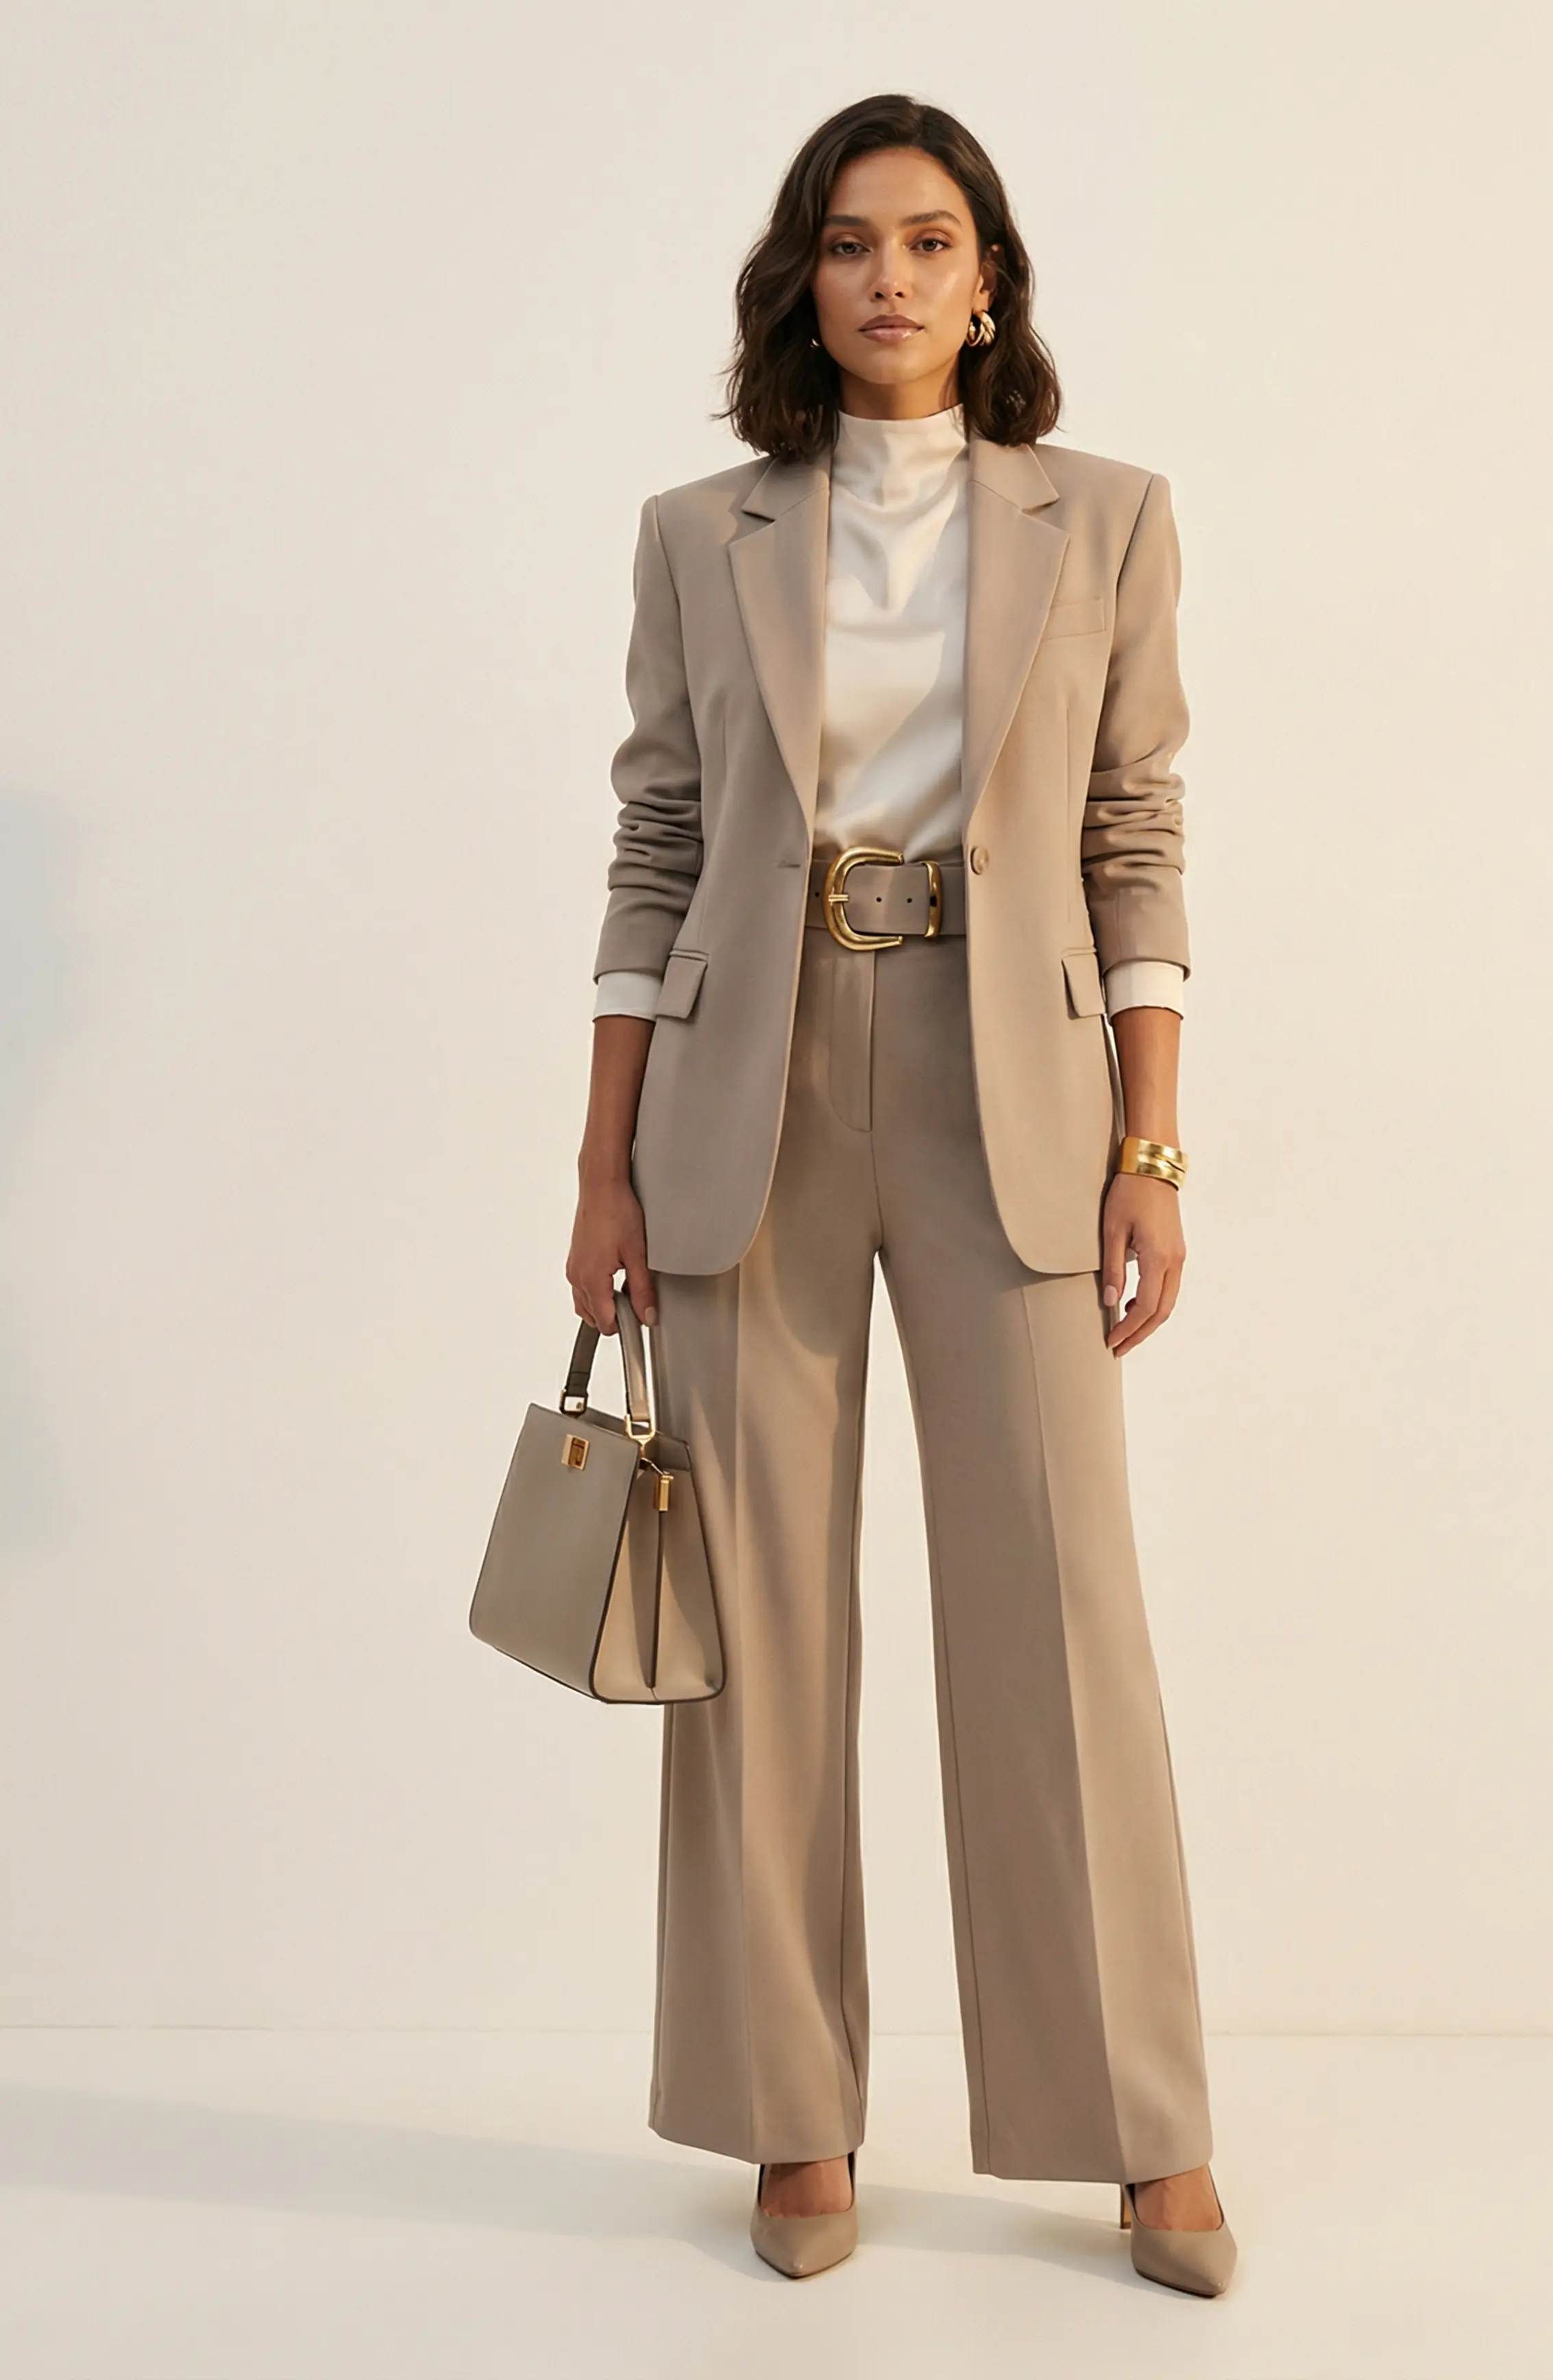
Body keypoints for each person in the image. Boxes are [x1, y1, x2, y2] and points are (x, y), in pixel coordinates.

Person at [565, 92, 1236, 2297]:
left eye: (929, 241)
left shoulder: (1107, 518)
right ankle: (792, 2112)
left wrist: (1150, 1140)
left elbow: (1132, 832)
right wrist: (601, 1162)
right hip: (748, 1096)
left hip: (1014, 1087)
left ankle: (1144, 2125)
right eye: (847, 244)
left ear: (989, 277)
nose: (888, 278)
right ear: (801, 280)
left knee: (1062, 1607)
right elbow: (658, 846)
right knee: (758, 1620)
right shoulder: (705, 529)